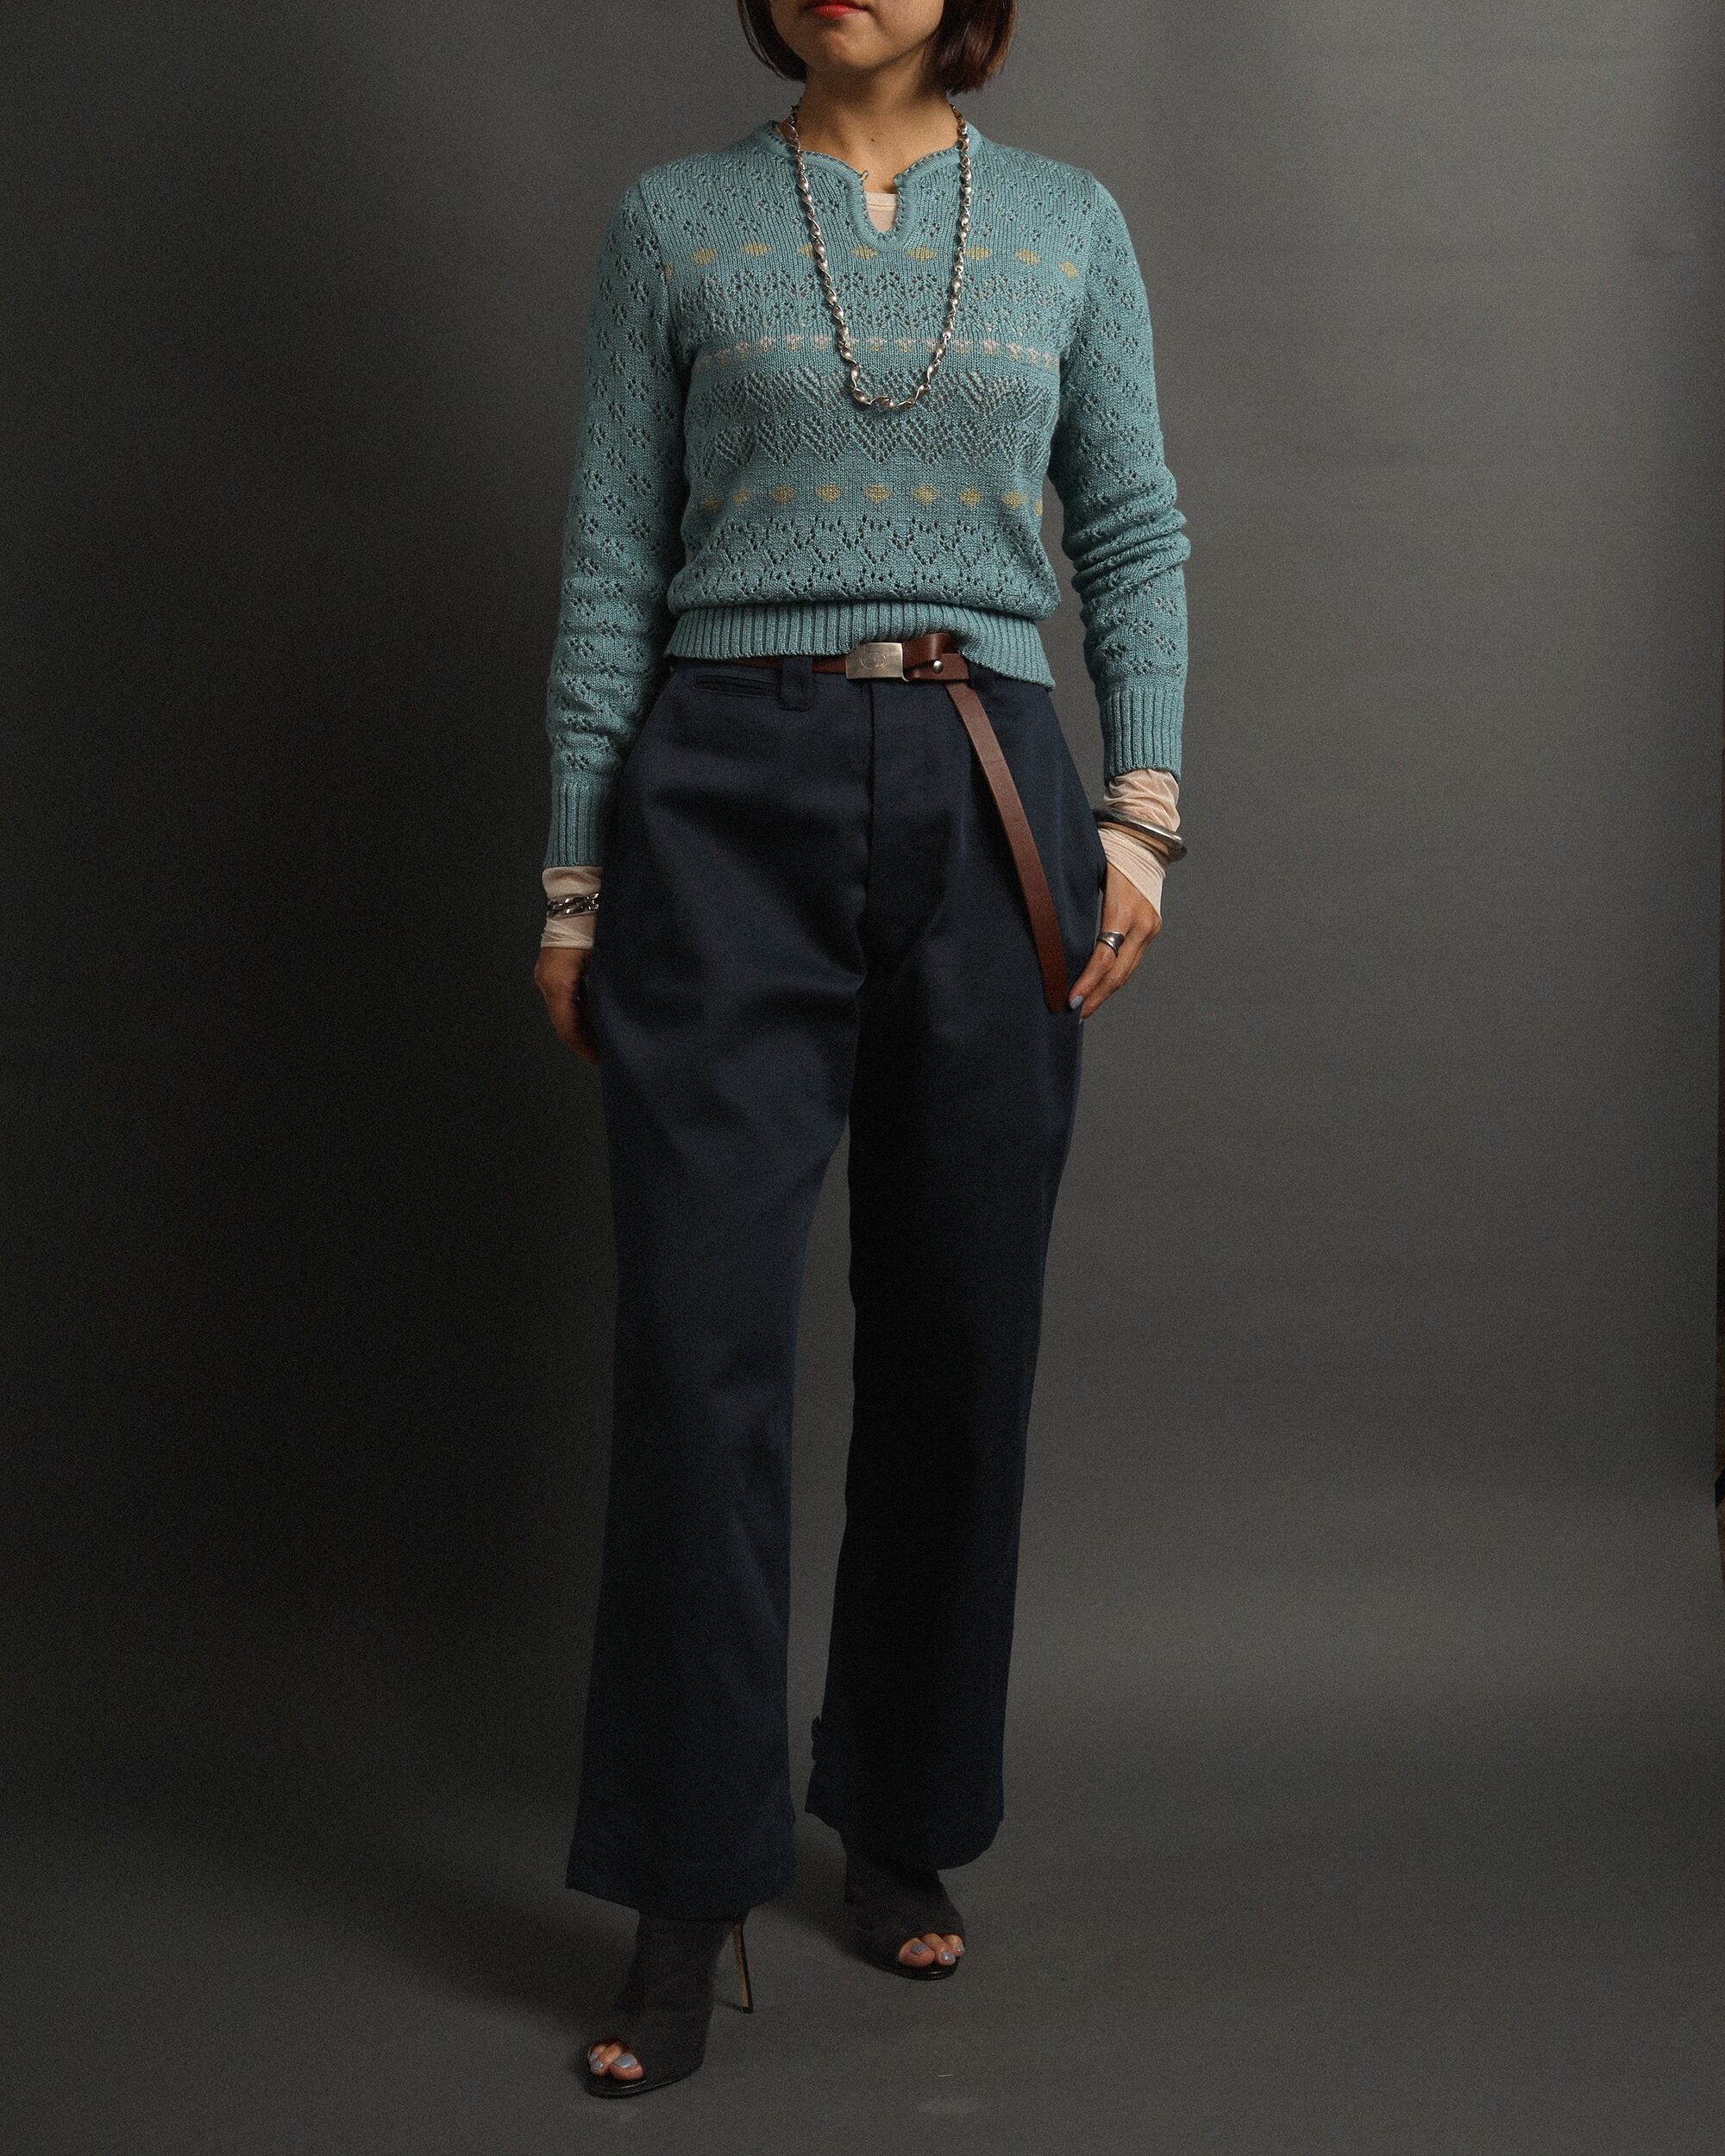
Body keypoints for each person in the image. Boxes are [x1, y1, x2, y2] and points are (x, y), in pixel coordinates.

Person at [531, 0, 1190, 2098]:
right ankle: (683, 1882)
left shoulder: (1071, 224)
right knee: (698, 1348)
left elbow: (1131, 528)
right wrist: (573, 875)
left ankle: (896, 1802)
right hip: (723, 791)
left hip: (989, 791)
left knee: (957, 1333)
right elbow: (614, 555)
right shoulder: (674, 223)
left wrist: (1140, 814)